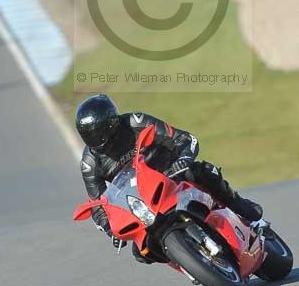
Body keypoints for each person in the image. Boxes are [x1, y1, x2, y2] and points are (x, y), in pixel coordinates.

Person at [75, 94, 263, 263]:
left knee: (202, 172)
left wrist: (183, 160)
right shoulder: (89, 164)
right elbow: (98, 204)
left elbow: (182, 138)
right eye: (90, 135)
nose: (97, 139)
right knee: (141, 252)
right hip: (141, 200)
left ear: (111, 123)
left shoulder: (135, 121)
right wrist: (110, 230)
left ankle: (243, 209)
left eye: (99, 132)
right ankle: (187, 261)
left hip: (171, 172)